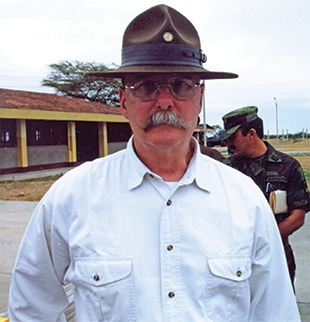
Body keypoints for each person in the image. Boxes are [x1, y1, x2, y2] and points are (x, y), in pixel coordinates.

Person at [9, 5, 301, 321]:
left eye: (181, 85)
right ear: (123, 100)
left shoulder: (245, 201)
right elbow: (30, 309)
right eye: (146, 85)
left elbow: (275, 313)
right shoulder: (72, 197)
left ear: (200, 99)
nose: (164, 101)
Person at [221, 105, 310, 288]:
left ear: (251, 134)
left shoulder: (287, 166)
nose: (227, 144)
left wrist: (263, 241)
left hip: (276, 255)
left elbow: (298, 216)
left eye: (232, 137)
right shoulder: (225, 169)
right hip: (233, 258)